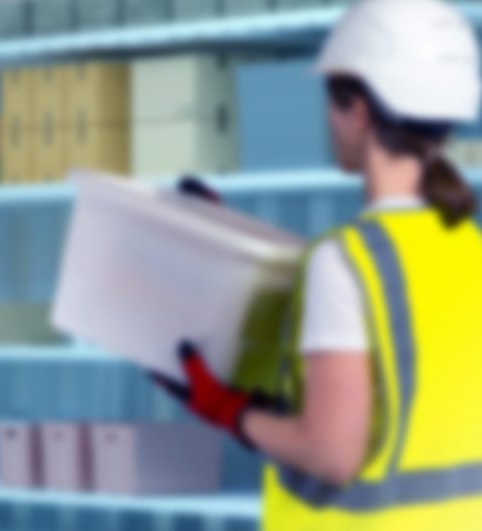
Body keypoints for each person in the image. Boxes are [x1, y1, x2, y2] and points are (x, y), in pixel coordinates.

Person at [154, 0, 482, 529]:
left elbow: (333, 453)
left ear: (358, 114)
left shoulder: (344, 263)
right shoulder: (468, 249)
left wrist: (232, 413)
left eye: (332, 100)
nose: (328, 119)